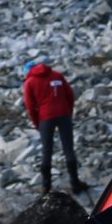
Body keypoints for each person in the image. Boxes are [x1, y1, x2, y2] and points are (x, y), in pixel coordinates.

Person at [23, 59, 87, 194]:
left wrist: (37, 124)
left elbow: (30, 106)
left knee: (47, 151)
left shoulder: (30, 82)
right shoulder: (57, 75)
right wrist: (68, 113)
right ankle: (75, 183)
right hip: (63, 114)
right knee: (68, 148)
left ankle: (46, 187)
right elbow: (70, 95)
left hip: (45, 118)